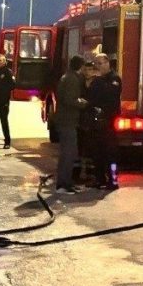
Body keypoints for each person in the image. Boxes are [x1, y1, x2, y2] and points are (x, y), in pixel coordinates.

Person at [86, 53, 122, 190]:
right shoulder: (97, 80)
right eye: (97, 64)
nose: (98, 66)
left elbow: (110, 96)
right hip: (97, 122)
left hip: (109, 122)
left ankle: (113, 180)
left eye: (101, 63)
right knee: (97, 152)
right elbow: (91, 97)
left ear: (108, 63)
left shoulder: (114, 79)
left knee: (110, 153)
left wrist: (97, 82)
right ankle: (99, 179)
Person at [53, 55, 88, 194]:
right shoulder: (72, 79)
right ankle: (63, 184)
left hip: (65, 121)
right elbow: (69, 99)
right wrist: (83, 103)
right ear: (81, 66)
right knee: (68, 153)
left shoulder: (67, 77)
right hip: (68, 121)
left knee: (68, 153)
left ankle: (66, 182)